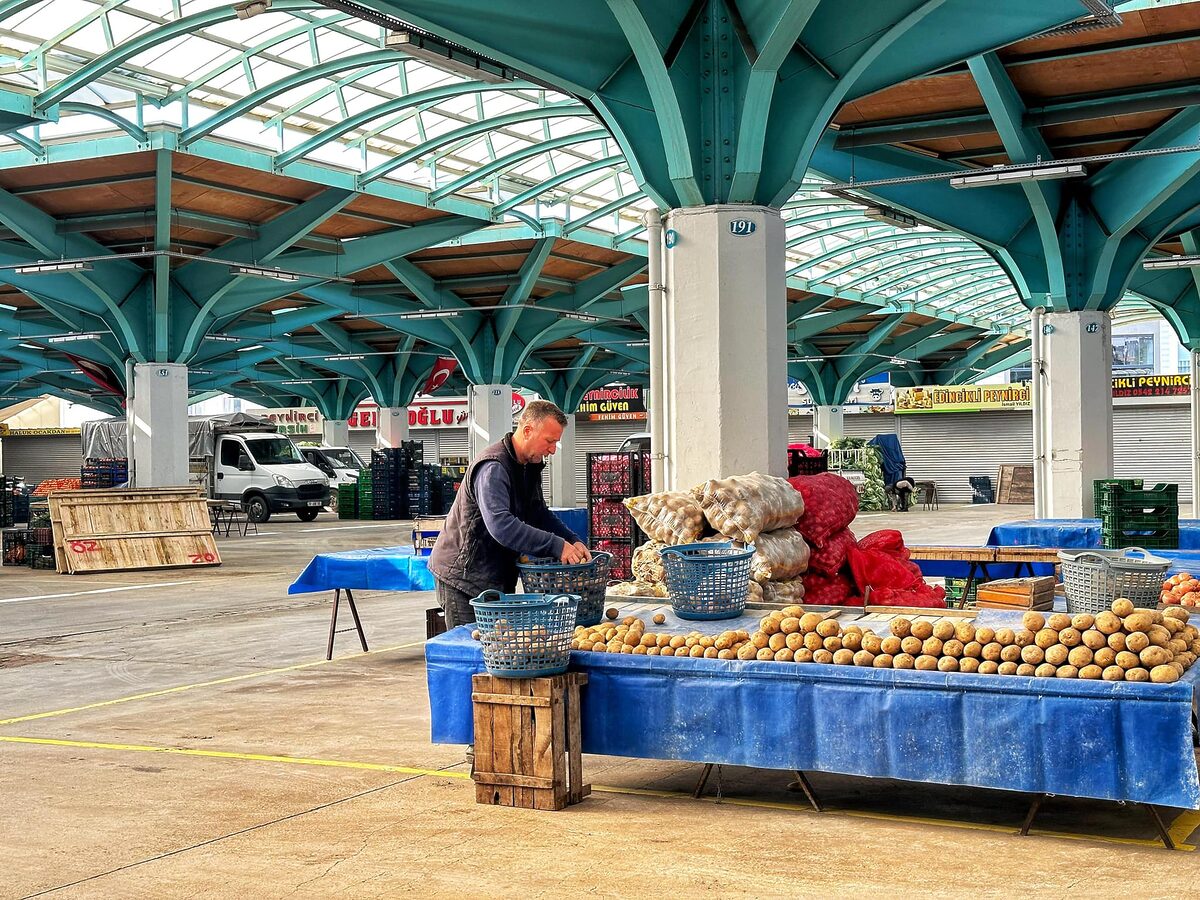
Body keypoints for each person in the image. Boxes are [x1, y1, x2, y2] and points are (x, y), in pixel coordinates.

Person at [429, 399, 590, 627]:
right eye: (550, 441)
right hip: (464, 578)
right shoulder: (494, 467)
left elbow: (538, 513)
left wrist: (571, 539)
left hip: (495, 576)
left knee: (499, 651)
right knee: (473, 653)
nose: (553, 450)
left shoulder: (528, 466)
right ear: (527, 431)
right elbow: (501, 526)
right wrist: (556, 546)